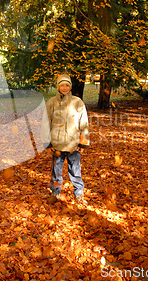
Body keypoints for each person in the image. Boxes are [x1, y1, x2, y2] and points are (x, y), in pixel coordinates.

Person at [41, 74, 89, 204]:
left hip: (74, 145)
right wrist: (48, 142)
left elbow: (83, 122)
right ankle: (55, 193)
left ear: (70, 87)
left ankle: (78, 194)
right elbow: (46, 122)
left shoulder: (77, 102)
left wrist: (83, 142)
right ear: (58, 86)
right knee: (56, 171)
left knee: (75, 171)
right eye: (62, 85)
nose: (64, 87)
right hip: (57, 145)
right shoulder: (52, 102)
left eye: (67, 85)